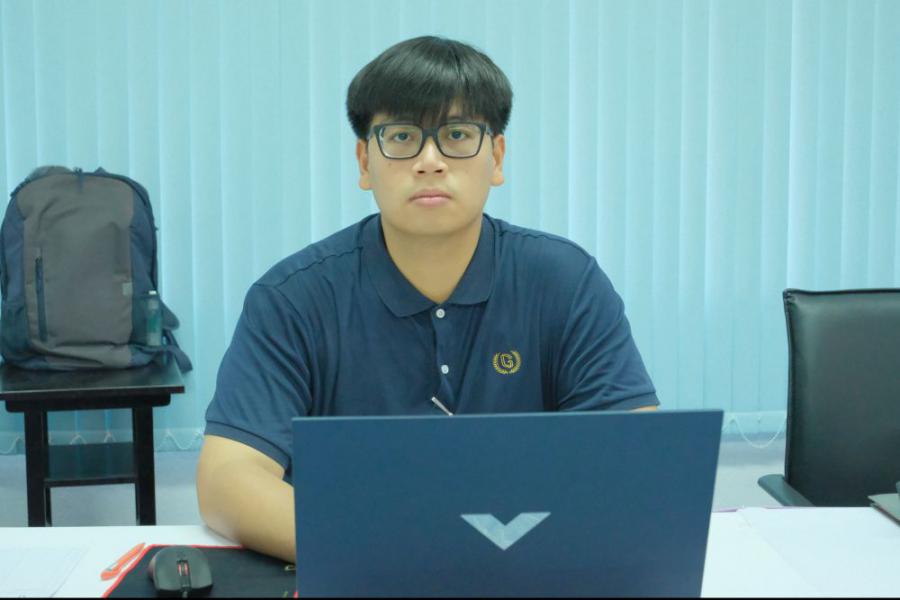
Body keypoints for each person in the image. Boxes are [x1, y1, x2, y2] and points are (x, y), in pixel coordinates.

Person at [197, 36, 659, 562]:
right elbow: (228, 479)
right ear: (364, 161)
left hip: (529, 569)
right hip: (360, 572)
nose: (430, 161)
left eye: (458, 135)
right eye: (401, 136)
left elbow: (636, 459)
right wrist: (397, 555)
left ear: (497, 157)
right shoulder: (293, 299)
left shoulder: (566, 283)